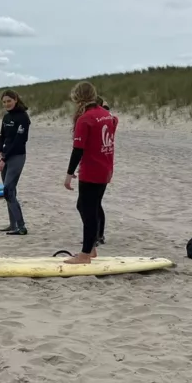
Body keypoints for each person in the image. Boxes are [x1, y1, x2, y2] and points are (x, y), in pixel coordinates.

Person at [63, 82, 118, 265]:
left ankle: (85, 254)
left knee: (88, 210)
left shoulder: (85, 119)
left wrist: (69, 174)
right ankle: (92, 247)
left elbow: (78, 149)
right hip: (106, 168)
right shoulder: (107, 114)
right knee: (87, 207)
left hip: (92, 170)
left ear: (77, 98)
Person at [0, 89, 31, 236]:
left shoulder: (23, 117)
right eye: (4, 102)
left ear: (15, 99)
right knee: (9, 191)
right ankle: (13, 224)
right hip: (6, 155)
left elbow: (19, 141)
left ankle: (21, 227)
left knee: (8, 190)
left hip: (17, 156)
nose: (7, 104)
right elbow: (2, 136)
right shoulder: (6, 117)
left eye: (9, 101)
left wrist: (4, 159)